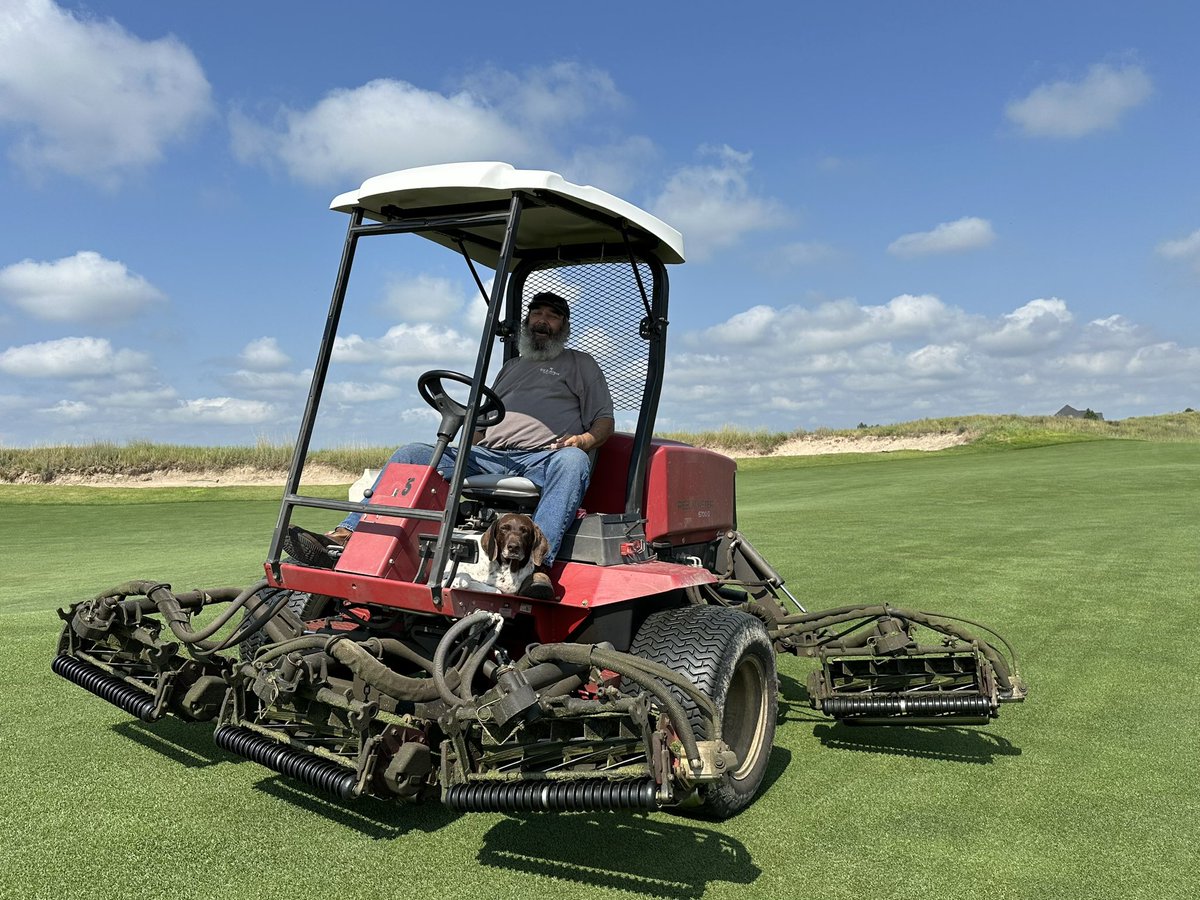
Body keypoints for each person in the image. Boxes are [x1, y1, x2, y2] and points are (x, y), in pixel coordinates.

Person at [304, 291, 614, 601]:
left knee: (573, 460)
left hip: (543, 457)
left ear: (563, 325)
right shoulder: (512, 367)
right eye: (537, 314)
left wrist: (584, 440)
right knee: (411, 453)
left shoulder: (580, 364)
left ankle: (538, 566)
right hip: (489, 455)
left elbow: (603, 421)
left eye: (552, 316)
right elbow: (485, 419)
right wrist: (470, 444)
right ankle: (349, 533)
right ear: (527, 320)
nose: (542, 321)